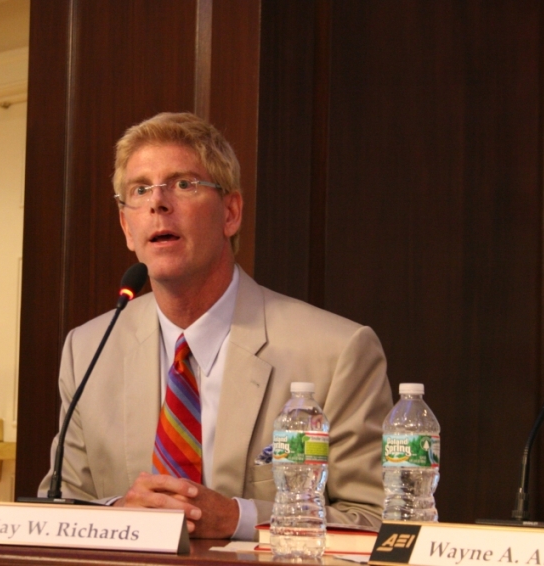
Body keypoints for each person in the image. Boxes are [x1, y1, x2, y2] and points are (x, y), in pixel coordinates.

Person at [38, 112, 393, 540]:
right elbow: (58, 508)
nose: (158, 202)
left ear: (231, 213)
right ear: (126, 228)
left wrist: (238, 518)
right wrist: (119, 512)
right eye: (140, 189)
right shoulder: (89, 348)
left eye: (183, 184)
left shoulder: (337, 352)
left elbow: (377, 523)